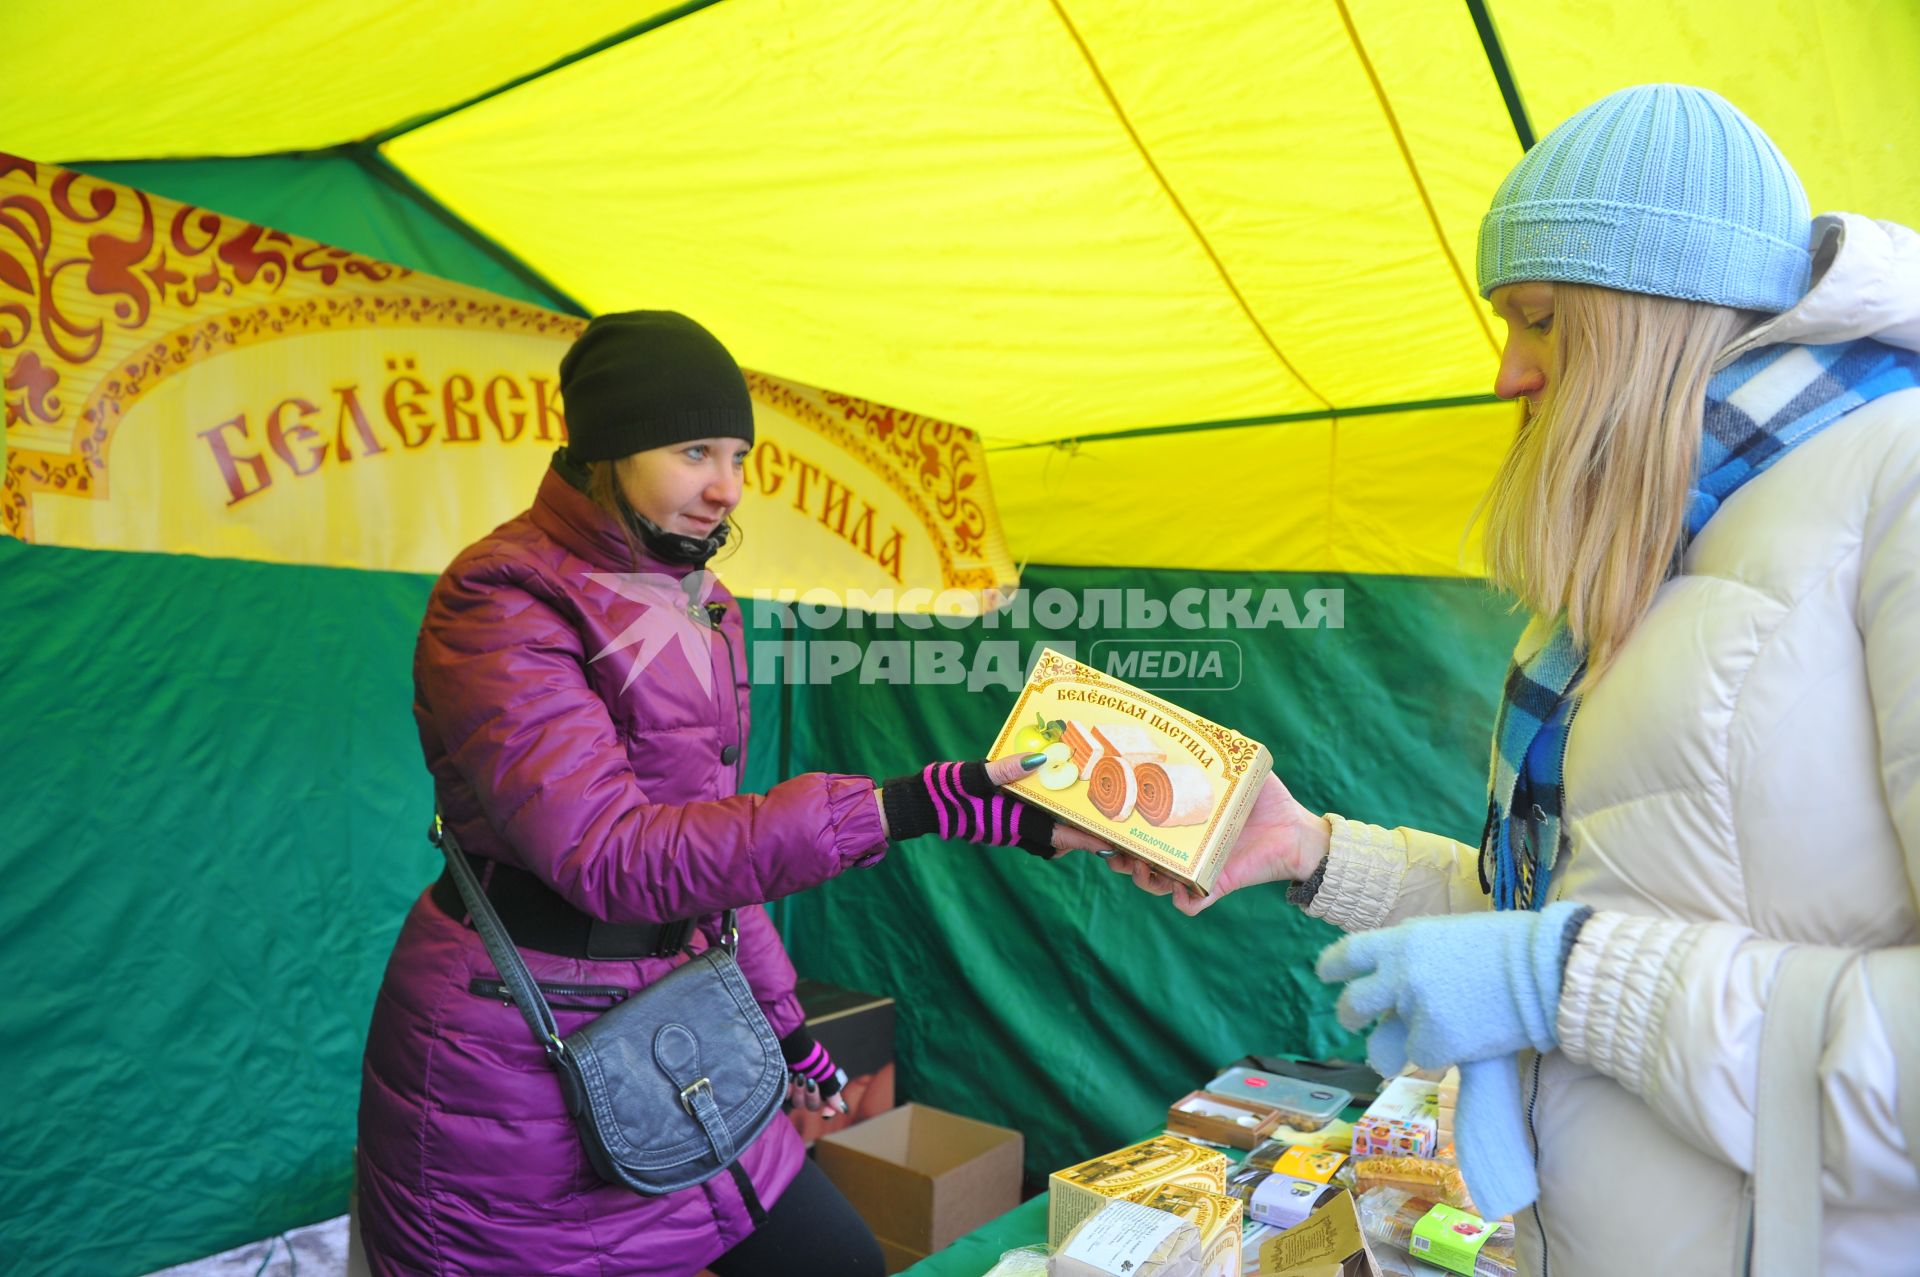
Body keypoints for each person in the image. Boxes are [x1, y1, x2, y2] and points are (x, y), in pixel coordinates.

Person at [1110, 84, 1919, 1275]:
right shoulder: (1666, 532)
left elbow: (1573, 959)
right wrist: (1314, 852)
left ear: (1653, 309)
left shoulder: (1895, 490)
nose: (1505, 373)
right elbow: (1581, 908)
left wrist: (1561, 977)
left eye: (1540, 319)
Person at [356, 311, 1100, 1276]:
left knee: (836, 1261)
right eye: (693, 449)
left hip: (684, 1027)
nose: (726, 486)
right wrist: (907, 804)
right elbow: (614, 854)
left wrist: (786, 1024)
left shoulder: (700, 602)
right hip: (515, 1062)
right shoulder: (503, 599)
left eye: (739, 454)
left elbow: (710, 850)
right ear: (606, 447)